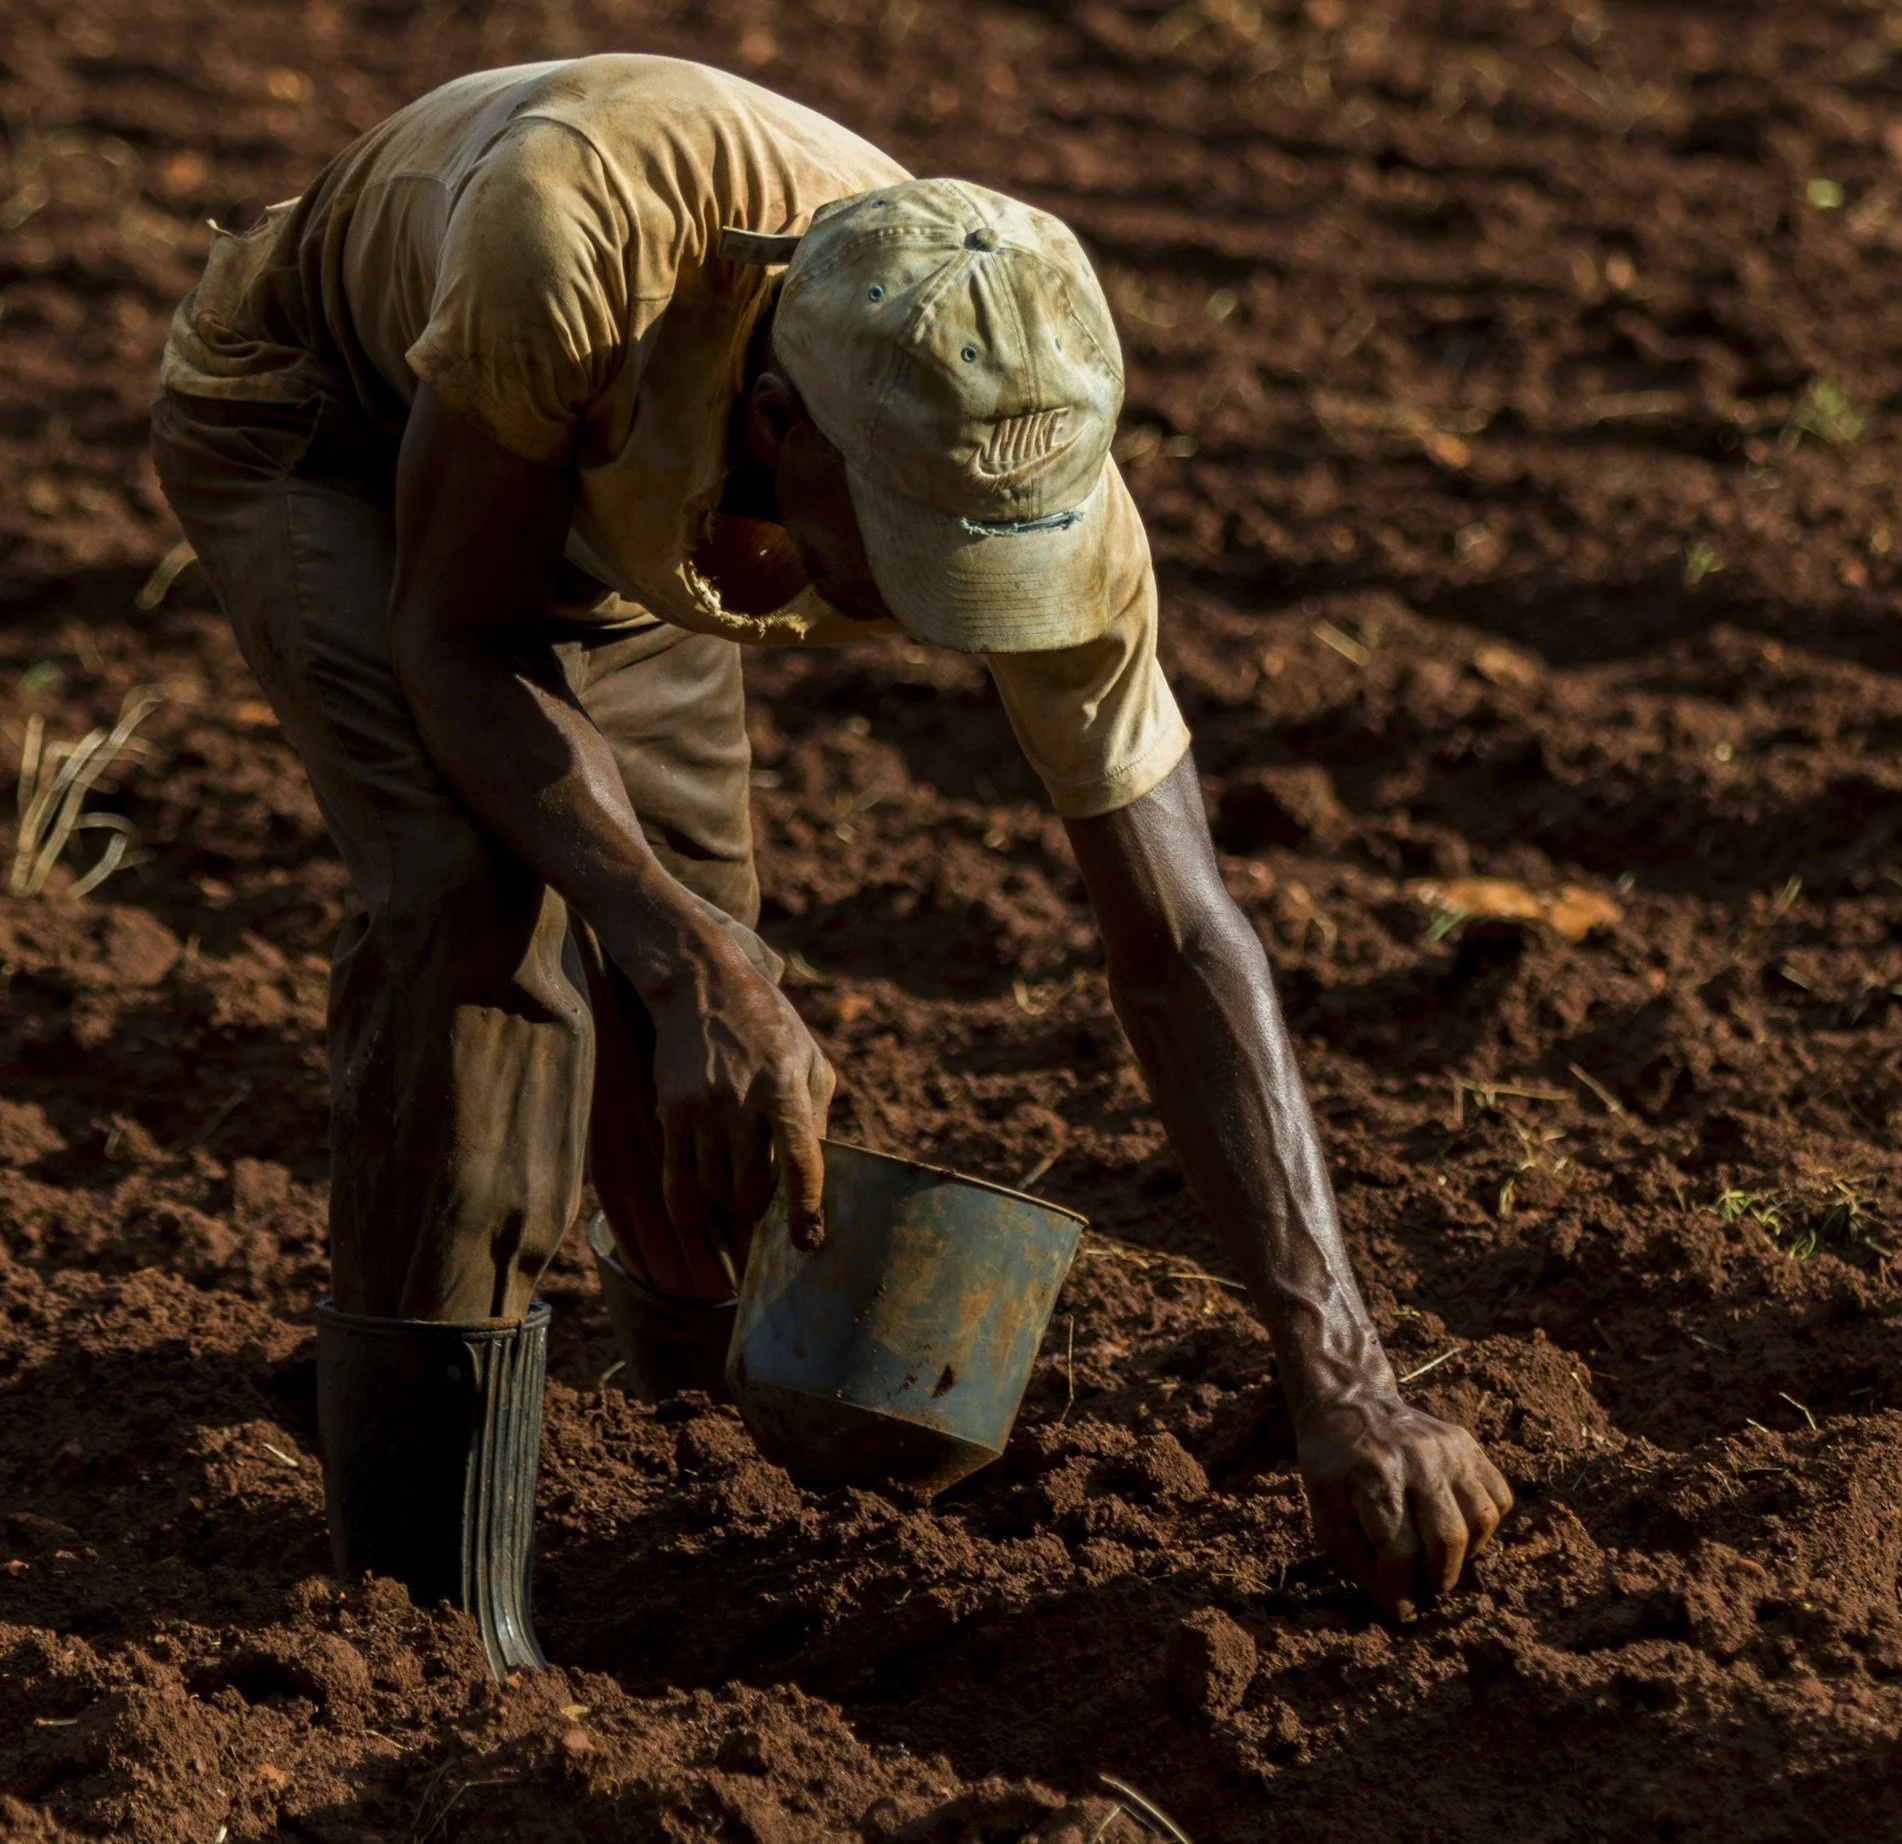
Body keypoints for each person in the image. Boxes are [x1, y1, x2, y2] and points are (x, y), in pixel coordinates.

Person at [151, 53, 1511, 1675]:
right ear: (785, 432)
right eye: (920, 554)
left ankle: (677, 1464)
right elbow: (456, 640)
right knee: (481, 912)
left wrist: (1341, 1372)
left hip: (613, 507)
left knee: (700, 989)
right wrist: (679, 954)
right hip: (333, 420)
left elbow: (1181, 936)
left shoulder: (1016, 426)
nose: (952, 618)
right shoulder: (572, 237)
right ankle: (431, 1618)